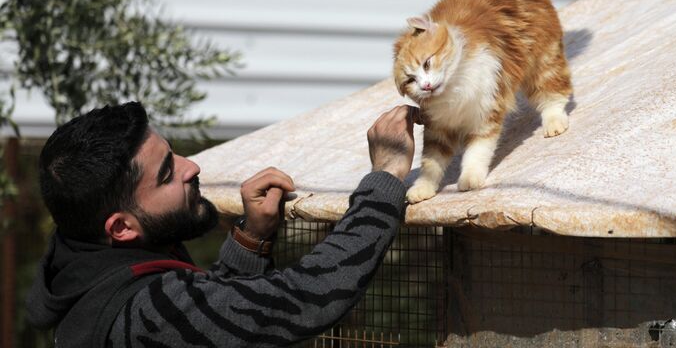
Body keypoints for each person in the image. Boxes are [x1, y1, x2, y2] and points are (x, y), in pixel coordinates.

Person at [26, 101, 420, 347]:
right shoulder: (142, 312)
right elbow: (305, 299)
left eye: (174, 154)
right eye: (166, 174)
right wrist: (385, 176)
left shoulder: (84, 268)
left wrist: (250, 239)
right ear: (121, 228)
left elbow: (208, 324)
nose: (191, 166)